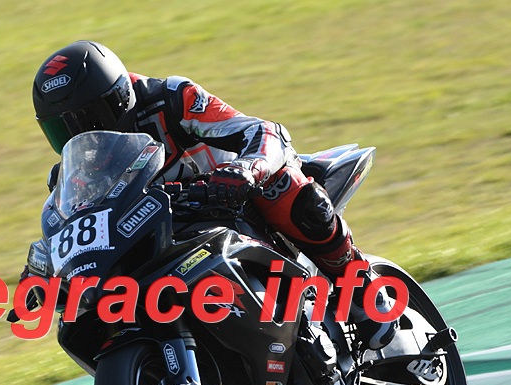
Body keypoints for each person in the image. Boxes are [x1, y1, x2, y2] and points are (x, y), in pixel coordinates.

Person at [30, 40, 397, 349]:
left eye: (91, 119)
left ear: (121, 97)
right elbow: (80, 226)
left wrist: (246, 170)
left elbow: (263, 132)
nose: (82, 136)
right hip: (163, 232)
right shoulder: (78, 169)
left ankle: (361, 286)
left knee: (287, 189)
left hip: (234, 201)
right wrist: (45, 270)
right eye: (63, 130)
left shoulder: (171, 99)